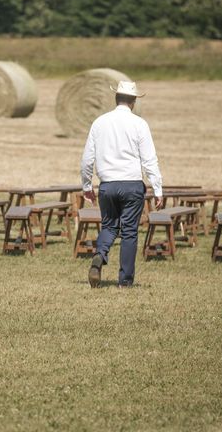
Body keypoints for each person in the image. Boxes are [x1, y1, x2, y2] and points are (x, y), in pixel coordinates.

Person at [80, 80, 163, 288]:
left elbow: (87, 159)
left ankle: (100, 255)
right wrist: (158, 188)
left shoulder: (99, 122)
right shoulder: (139, 124)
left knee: (108, 226)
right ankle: (125, 280)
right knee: (129, 232)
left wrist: (86, 186)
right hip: (132, 185)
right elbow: (149, 159)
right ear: (134, 101)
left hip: (107, 185)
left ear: (116, 98)